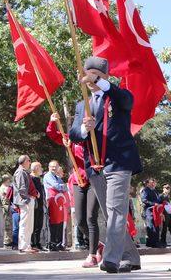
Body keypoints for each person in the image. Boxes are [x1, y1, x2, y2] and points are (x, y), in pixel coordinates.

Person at [69, 56, 142, 273]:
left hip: (119, 162)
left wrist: (99, 82)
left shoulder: (119, 97)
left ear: (105, 77)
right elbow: (73, 134)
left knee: (116, 211)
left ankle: (111, 259)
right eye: (88, 75)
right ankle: (132, 257)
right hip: (95, 166)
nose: (90, 80)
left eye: (95, 76)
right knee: (111, 214)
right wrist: (85, 129)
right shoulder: (83, 105)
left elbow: (127, 101)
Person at [46, 113, 101, 267]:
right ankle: (98, 245)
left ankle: (92, 255)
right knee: (80, 220)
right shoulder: (72, 137)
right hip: (78, 180)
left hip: (94, 180)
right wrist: (52, 122)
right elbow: (52, 134)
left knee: (91, 217)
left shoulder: (97, 137)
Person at [13, 155, 37, 254]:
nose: (30, 162)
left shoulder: (23, 172)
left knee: (29, 225)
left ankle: (27, 245)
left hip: (27, 200)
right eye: (29, 160)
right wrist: (27, 199)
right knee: (24, 224)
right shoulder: (20, 172)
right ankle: (23, 246)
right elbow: (21, 188)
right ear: (24, 162)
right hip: (25, 201)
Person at [44, 160, 68, 251]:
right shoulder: (48, 176)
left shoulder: (58, 178)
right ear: (49, 167)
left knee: (60, 223)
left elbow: (61, 187)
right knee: (53, 223)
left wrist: (63, 186)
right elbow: (56, 186)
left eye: (56, 166)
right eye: (52, 166)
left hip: (59, 204)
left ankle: (58, 243)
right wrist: (64, 186)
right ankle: (52, 243)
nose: (54, 168)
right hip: (51, 202)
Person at [140, 178, 162, 248]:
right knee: (151, 226)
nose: (154, 183)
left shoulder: (155, 191)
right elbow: (144, 200)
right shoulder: (145, 190)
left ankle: (154, 242)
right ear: (147, 183)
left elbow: (158, 200)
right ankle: (153, 243)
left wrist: (161, 203)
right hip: (149, 211)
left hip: (156, 211)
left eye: (154, 182)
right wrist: (154, 204)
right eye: (152, 182)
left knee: (156, 226)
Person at [29, 162, 44, 251]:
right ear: (36, 168)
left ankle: (37, 243)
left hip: (40, 205)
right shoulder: (31, 178)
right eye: (40, 167)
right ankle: (33, 243)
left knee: (39, 225)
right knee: (33, 225)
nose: (41, 169)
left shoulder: (38, 179)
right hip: (34, 205)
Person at [0, 175, 14, 249]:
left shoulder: (6, 187)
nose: (9, 181)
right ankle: (7, 242)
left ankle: (9, 240)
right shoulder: (4, 187)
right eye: (8, 180)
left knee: (10, 225)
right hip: (6, 207)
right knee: (7, 225)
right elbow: (8, 194)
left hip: (8, 207)